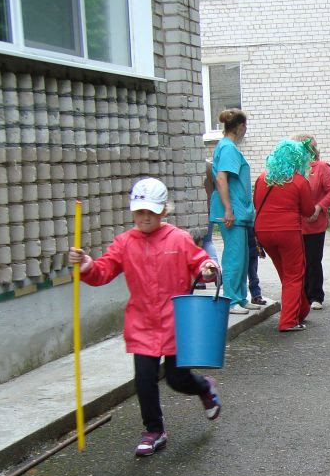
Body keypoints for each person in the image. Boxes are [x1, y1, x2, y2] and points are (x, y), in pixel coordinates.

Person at [69, 178, 221, 457]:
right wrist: (87, 265)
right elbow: (103, 270)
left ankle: (204, 388)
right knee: (144, 380)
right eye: (140, 212)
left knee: (177, 379)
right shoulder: (125, 243)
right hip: (142, 324)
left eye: (151, 211)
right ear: (133, 212)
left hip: (176, 321)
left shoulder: (178, 238)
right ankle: (154, 429)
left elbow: (199, 261)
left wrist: (208, 267)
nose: (145, 217)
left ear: (164, 210)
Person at [254, 139, 317, 332]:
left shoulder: (262, 178)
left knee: (286, 273)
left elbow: (256, 205)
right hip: (288, 231)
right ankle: (289, 320)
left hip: (263, 231)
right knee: (294, 274)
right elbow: (308, 211)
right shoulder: (298, 181)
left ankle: (301, 309)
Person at [210, 108, 253, 314]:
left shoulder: (227, 147)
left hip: (238, 212)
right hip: (232, 212)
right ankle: (231, 300)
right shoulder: (228, 148)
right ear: (241, 127)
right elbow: (221, 178)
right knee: (234, 257)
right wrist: (228, 209)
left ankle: (241, 298)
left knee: (242, 257)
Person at [295, 134, 330, 311]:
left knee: (313, 260)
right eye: (310, 147)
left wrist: (319, 207)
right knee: (297, 261)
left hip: (314, 223)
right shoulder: (291, 168)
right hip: (295, 223)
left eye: (315, 146)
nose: (314, 150)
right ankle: (299, 296)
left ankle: (315, 295)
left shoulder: (321, 167)